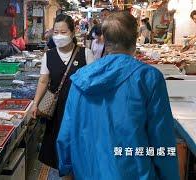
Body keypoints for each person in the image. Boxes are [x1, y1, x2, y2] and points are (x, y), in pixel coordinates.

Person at [57, 12, 180, 180]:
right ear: (135, 38)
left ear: (104, 40)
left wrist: (67, 169)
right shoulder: (148, 78)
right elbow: (162, 139)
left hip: (87, 172)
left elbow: (66, 135)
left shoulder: (80, 79)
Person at [31, 14, 94, 170]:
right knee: (57, 145)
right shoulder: (49, 55)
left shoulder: (86, 54)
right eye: (56, 32)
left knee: (76, 145)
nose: (59, 36)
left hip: (78, 108)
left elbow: (92, 84)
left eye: (63, 32)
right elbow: (43, 81)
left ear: (73, 32)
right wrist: (35, 103)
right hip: (56, 108)